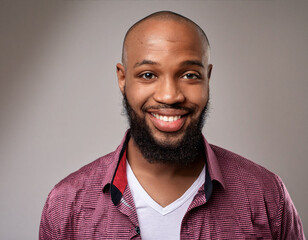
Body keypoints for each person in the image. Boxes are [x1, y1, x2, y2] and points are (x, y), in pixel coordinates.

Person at [39, 11, 305, 239]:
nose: (169, 95)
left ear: (207, 78)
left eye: (189, 75)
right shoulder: (66, 204)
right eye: (148, 75)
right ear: (122, 79)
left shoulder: (266, 195)